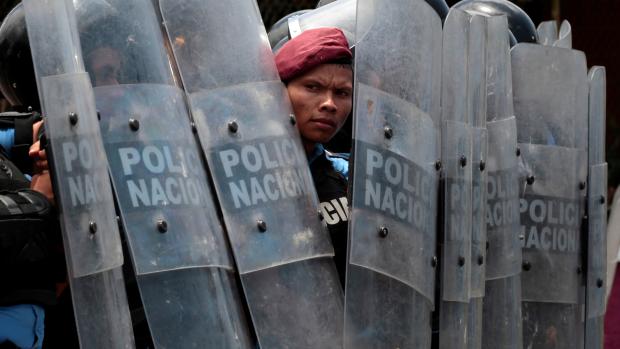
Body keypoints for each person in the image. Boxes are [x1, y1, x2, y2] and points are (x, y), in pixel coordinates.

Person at [274, 27, 353, 285]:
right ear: (279, 91)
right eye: (313, 87)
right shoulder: (236, 175)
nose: (329, 103)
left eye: (342, 93)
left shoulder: (352, 176)